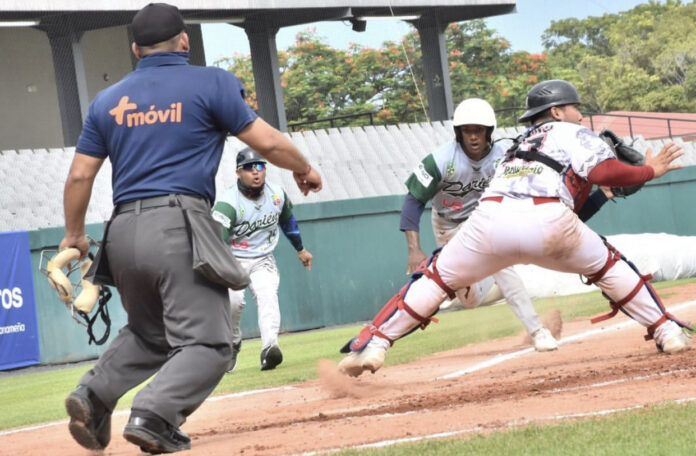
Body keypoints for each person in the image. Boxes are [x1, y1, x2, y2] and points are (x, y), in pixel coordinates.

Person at [59, 3, 321, 454]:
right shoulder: (212, 83)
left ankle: (94, 395)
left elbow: (80, 175)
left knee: (150, 332)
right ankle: (154, 414)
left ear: (135, 49)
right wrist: (304, 168)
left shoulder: (107, 101)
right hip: (178, 224)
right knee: (212, 343)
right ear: (184, 40)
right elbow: (267, 143)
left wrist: (75, 235)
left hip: (122, 232)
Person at [338, 79, 692, 377]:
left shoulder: (517, 145)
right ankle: (667, 331)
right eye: (575, 107)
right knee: (609, 265)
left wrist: (603, 193)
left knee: (435, 279)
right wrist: (649, 171)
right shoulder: (570, 131)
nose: (579, 114)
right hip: (546, 216)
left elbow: (573, 205)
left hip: (488, 221)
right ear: (557, 112)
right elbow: (601, 174)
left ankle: (376, 344)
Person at [400, 97, 558, 352]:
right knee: (470, 300)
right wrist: (414, 249)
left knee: (502, 266)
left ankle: (538, 331)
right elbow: (413, 202)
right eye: (467, 130)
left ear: (489, 132)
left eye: (479, 130)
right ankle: (492, 280)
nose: (473, 136)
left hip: (485, 219)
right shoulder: (440, 160)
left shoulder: (504, 156)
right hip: (449, 226)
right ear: (458, 133)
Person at [212, 147, 313, 372]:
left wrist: (301, 249)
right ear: (238, 172)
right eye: (249, 168)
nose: (255, 171)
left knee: (267, 296)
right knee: (233, 302)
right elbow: (217, 240)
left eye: (259, 166)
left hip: (262, 258)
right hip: (232, 259)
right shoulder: (228, 203)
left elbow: (288, 221)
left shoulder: (276, 194)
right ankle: (233, 342)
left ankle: (270, 348)